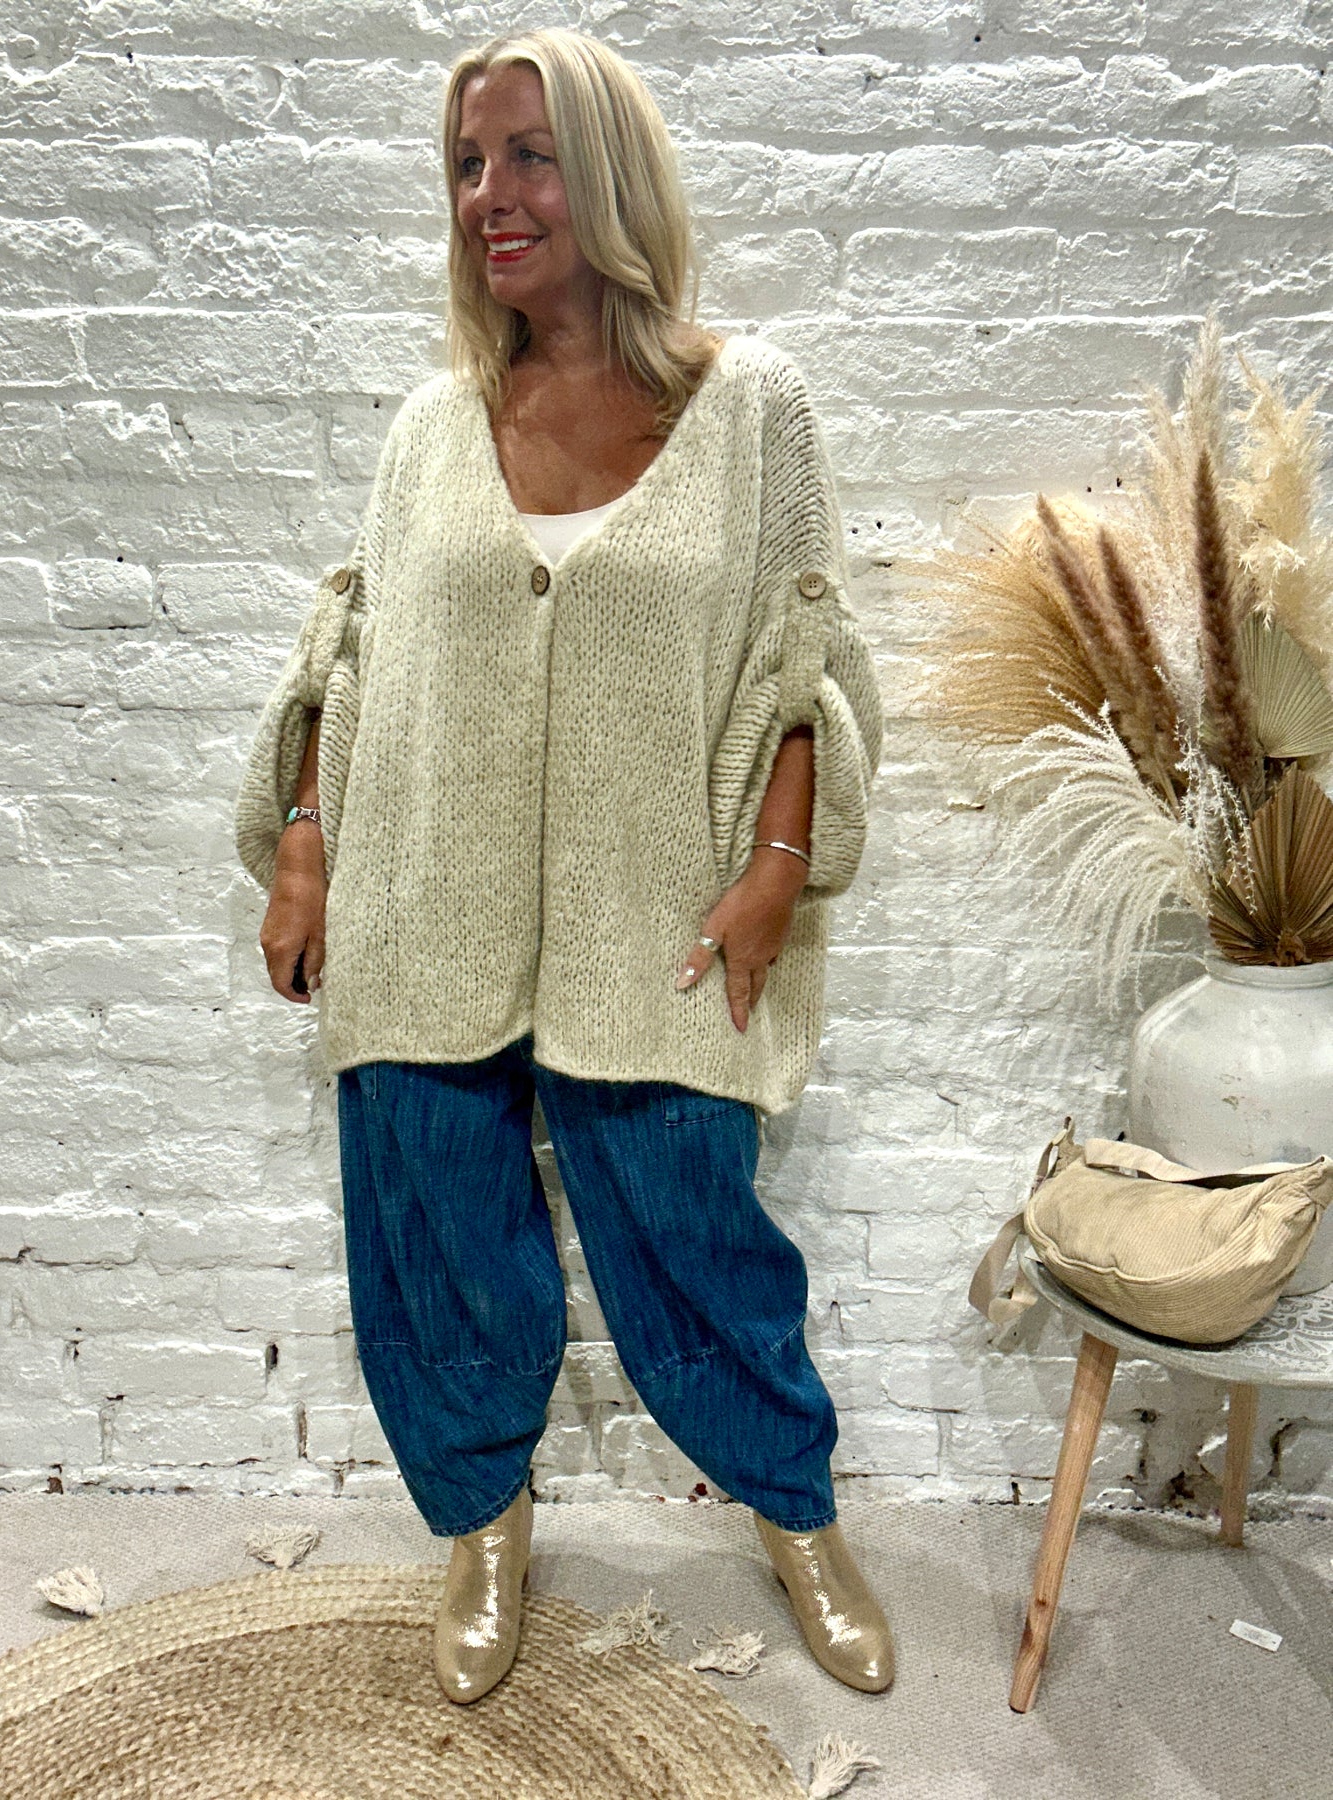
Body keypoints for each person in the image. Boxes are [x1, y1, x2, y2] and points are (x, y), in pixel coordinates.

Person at [233, 27, 888, 1706]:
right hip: (420, 901)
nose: (489, 196)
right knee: (439, 1236)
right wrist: (303, 851)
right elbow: (354, 650)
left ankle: (794, 1509)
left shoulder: (751, 410)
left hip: (652, 917)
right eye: (466, 165)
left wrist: (776, 865)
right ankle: (484, 1525)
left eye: (526, 155)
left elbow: (799, 654)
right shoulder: (431, 425)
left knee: (694, 1230)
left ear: (607, 173)